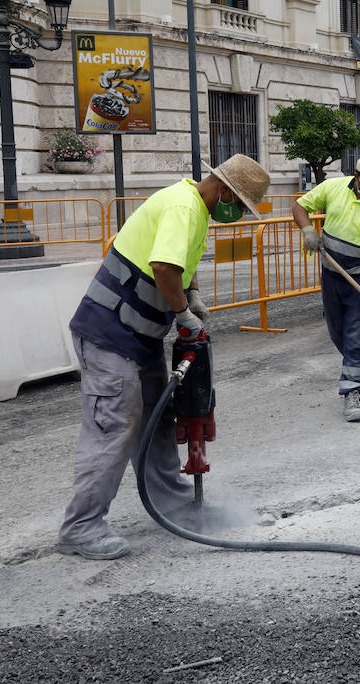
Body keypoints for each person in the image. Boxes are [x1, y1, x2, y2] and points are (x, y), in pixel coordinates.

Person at [58, 155, 271, 560]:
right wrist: (182, 314)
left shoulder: (195, 209)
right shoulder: (182, 206)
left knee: (158, 421)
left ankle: (174, 505)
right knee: (114, 426)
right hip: (109, 335)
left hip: (141, 337)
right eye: (241, 206)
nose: (240, 214)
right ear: (224, 191)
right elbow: (163, 265)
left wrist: (190, 295)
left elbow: (181, 265)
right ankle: (80, 528)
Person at [292, 154, 360, 423]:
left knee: (356, 333)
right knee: (337, 331)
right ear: (357, 178)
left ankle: (352, 391)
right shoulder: (333, 188)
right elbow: (300, 206)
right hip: (331, 275)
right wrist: (307, 231)